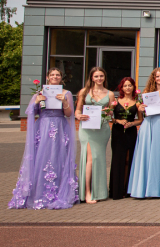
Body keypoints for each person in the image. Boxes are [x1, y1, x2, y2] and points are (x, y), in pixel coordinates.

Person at [9, 68, 79, 209]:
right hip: (43, 126)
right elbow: (31, 112)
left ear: (61, 78)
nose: (55, 77)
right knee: (42, 156)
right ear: (47, 77)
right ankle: (38, 192)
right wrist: (36, 101)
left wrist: (64, 102)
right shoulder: (40, 93)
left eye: (57, 75)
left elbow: (69, 113)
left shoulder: (66, 93)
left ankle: (60, 192)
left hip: (60, 127)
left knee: (59, 156)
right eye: (52, 75)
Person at [129, 68, 160, 199]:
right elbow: (140, 111)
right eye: (157, 76)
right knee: (147, 155)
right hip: (149, 125)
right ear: (153, 78)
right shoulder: (146, 92)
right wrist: (140, 108)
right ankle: (144, 188)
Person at [75, 66, 113, 203]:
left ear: (104, 77)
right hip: (87, 129)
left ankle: (99, 192)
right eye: (96, 76)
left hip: (102, 129)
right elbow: (77, 110)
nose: (99, 78)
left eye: (101, 76)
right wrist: (79, 116)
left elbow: (110, 114)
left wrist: (108, 112)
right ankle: (87, 192)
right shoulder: (84, 92)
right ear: (91, 77)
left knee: (99, 159)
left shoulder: (110, 94)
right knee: (90, 159)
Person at [109, 77, 142, 200]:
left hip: (131, 132)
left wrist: (132, 123)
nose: (127, 88)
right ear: (121, 88)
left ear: (133, 87)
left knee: (129, 159)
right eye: (125, 86)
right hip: (118, 132)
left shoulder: (137, 102)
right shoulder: (115, 101)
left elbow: (140, 120)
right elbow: (109, 117)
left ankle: (126, 188)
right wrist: (118, 121)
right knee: (118, 159)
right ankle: (116, 190)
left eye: (130, 85)